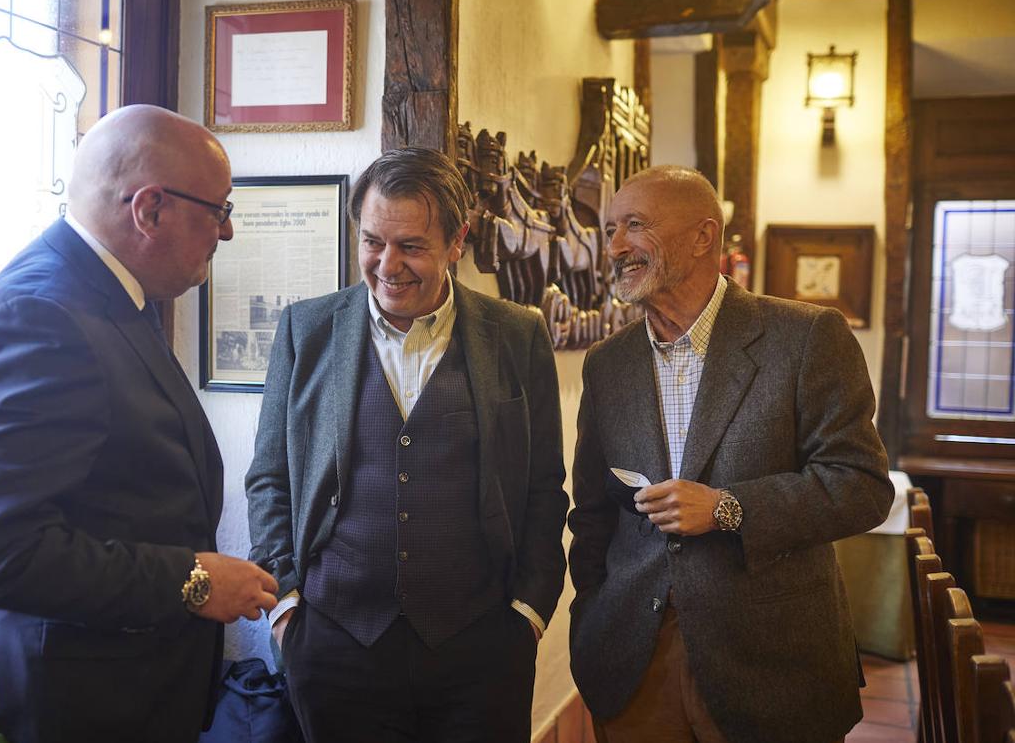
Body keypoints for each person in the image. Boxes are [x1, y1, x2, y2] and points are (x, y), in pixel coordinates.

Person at [0, 105, 279, 743]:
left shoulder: (106, 294)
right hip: (53, 705)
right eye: (219, 211)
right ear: (149, 209)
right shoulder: (44, 314)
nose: (226, 234)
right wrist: (195, 581)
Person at [246, 147, 568, 743]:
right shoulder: (306, 330)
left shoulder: (516, 335)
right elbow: (269, 477)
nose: (387, 264)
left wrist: (530, 612)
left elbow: (544, 485)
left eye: (411, 246)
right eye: (372, 241)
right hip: (334, 645)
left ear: (457, 242)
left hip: (481, 649)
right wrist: (286, 608)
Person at [568, 165, 894, 743]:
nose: (614, 246)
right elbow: (593, 513)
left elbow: (862, 485)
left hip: (773, 666)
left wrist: (727, 508)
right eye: (610, 229)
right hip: (633, 664)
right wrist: (590, 617)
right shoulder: (607, 363)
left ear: (703, 237)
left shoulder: (806, 337)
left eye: (634, 226)